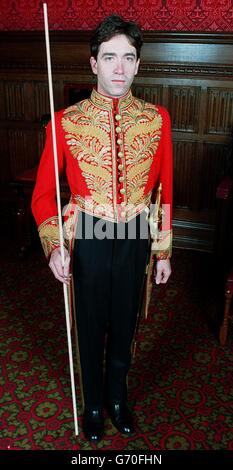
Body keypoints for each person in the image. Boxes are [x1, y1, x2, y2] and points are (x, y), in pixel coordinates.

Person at [31, 14, 173, 442]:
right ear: (94, 64)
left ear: (137, 64)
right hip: (89, 233)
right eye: (109, 57)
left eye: (128, 58)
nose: (119, 68)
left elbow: (164, 190)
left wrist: (163, 250)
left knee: (125, 323)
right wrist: (56, 246)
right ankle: (93, 402)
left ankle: (117, 397)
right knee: (90, 325)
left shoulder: (157, 119)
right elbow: (42, 196)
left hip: (134, 233)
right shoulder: (64, 122)